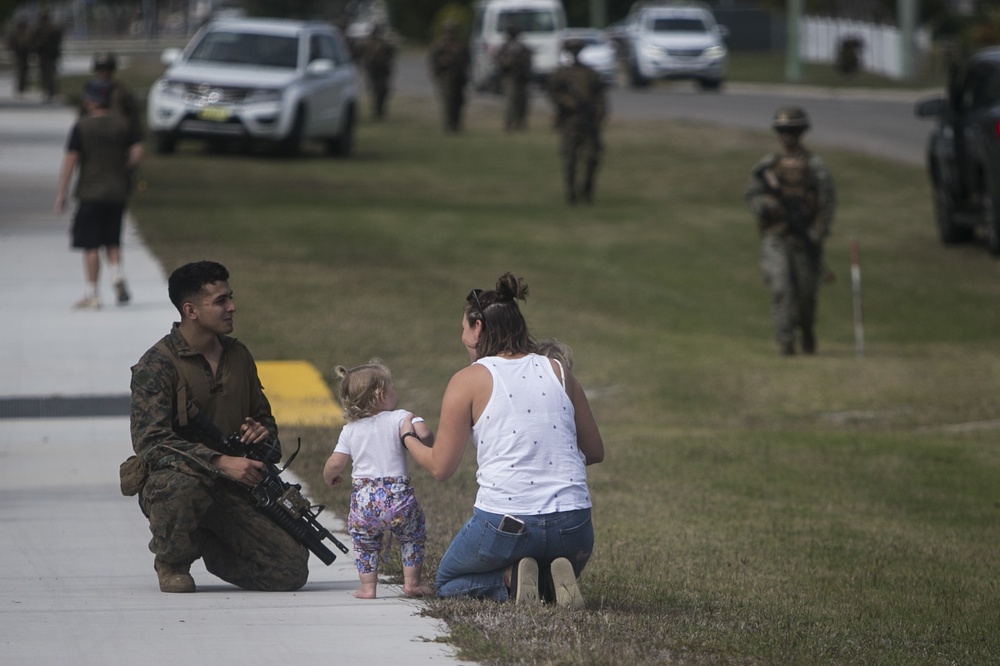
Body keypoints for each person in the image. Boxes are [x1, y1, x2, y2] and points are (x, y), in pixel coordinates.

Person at [399, 273, 605, 607]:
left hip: (507, 524)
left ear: (478, 329)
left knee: (448, 581)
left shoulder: (467, 380)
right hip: (574, 525)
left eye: (463, 329)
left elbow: (441, 468)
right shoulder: (558, 370)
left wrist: (407, 436)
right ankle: (552, 582)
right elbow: (595, 451)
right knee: (555, 559)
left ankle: (510, 580)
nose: (462, 337)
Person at [127, 261, 310, 593]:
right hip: (178, 483)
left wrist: (261, 437)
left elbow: (265, 422)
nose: (232, 307)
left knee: (289, 571)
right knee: (183, 487)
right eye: (221, 301)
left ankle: (205, 539)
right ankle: (172, 561)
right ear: (191, 310)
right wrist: (218, 462)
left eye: (230, 297)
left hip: (234, 487)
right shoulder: (156, 365)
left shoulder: (239, 356)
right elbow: (150, 442)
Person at [322, 360, 434, 599]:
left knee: (364, 544)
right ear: (382, 395)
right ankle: (411, 583)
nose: (395, 392)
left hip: (365, 502)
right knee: (412, 536)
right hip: (399, 499)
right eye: (392, 388)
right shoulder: (401, 417)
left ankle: (368, 587)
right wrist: (414, 430)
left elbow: (334, 463)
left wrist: (330, 477)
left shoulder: (350, 429)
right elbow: (425, 435)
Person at [745, 106, 836, 356]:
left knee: (806, 295)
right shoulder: (767, 165)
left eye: (792, 131)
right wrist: (767, 205)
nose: (788, 136)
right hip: (776, 237)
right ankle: (786, 342)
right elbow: (752, 194)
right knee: (781, 289)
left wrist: (818, 232)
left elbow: (826, 204)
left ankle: (806, 332)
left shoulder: (815, 166)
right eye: (783, 131)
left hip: (804, 239)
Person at [55, 79, 144, 310]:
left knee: (91, 244)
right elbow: (137, 151)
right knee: (112, 238)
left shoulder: (82, 126)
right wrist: (125, 168)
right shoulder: (122, 124)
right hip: (116, 192)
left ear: (91, 101)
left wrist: (62, 192)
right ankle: (117, 274)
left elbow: (71, 159)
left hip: (90, 192)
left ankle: (92, 293)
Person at [547, 37, 607, 205]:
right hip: (569, 122)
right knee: (570, 160)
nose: (574, 54)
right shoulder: (561, 74)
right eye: (571, 51)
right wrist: (566, 102)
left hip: (589, 123)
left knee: (592, 158)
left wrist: (598, 118)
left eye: (577, 50)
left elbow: (600, 98)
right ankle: (571, 192)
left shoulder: (590, 73)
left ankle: (587, 191)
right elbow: (553, 93)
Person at [428, 19, 471, 133]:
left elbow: (467, 60)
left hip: (459, 77)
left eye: (453, 31)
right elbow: (433, 61)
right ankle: (449, 125)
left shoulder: (461, 45)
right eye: (449, 31)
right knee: (448, 101)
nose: (451, 33)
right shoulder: (439, 45)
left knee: (459, 101)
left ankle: (456, 125)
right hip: (446, 77)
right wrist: (441, 67)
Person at [90, 52, 143, 139]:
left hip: (117, 134)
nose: (105, 73)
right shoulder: (91, 91)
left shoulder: (122, 91)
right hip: (95, 134)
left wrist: (135, 137)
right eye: (102, 70)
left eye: (108, 70)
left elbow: (133, 116)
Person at [495, 25, 533, 131]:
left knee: (522, 102)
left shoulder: (522, 47)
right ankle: (510, 124)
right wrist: (506, 63)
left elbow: (528, 62)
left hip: (521, 78)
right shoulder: (505, 47)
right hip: (510, 77)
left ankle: (520, 123)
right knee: (510, 102)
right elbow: (498, 61)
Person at [358, 23, 395, 120]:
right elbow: (361, 55)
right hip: (373, 71)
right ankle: (377, 112)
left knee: (383, 91)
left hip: (383, 71)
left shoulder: (385, 45)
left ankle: (380, 111)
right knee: (375, 91)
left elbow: (390, 55)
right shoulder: (367, 45)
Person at [32, 11, 62, 102]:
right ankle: (46, 91)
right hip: (42, 55)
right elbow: (34, 42)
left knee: (51, 74)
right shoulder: (38, 30)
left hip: (51, 55)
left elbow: (57, 42)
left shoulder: (53, 30)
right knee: (44, 75)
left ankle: (51, 92)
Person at [6, 19, 32, 96]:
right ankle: (20, 87)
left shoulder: (27, 35)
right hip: (18, 55)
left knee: (24, 71)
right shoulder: (16, 35)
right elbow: (11, 44)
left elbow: (31, 45)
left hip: (25, 55)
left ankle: (22, 87)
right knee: (20, 71)